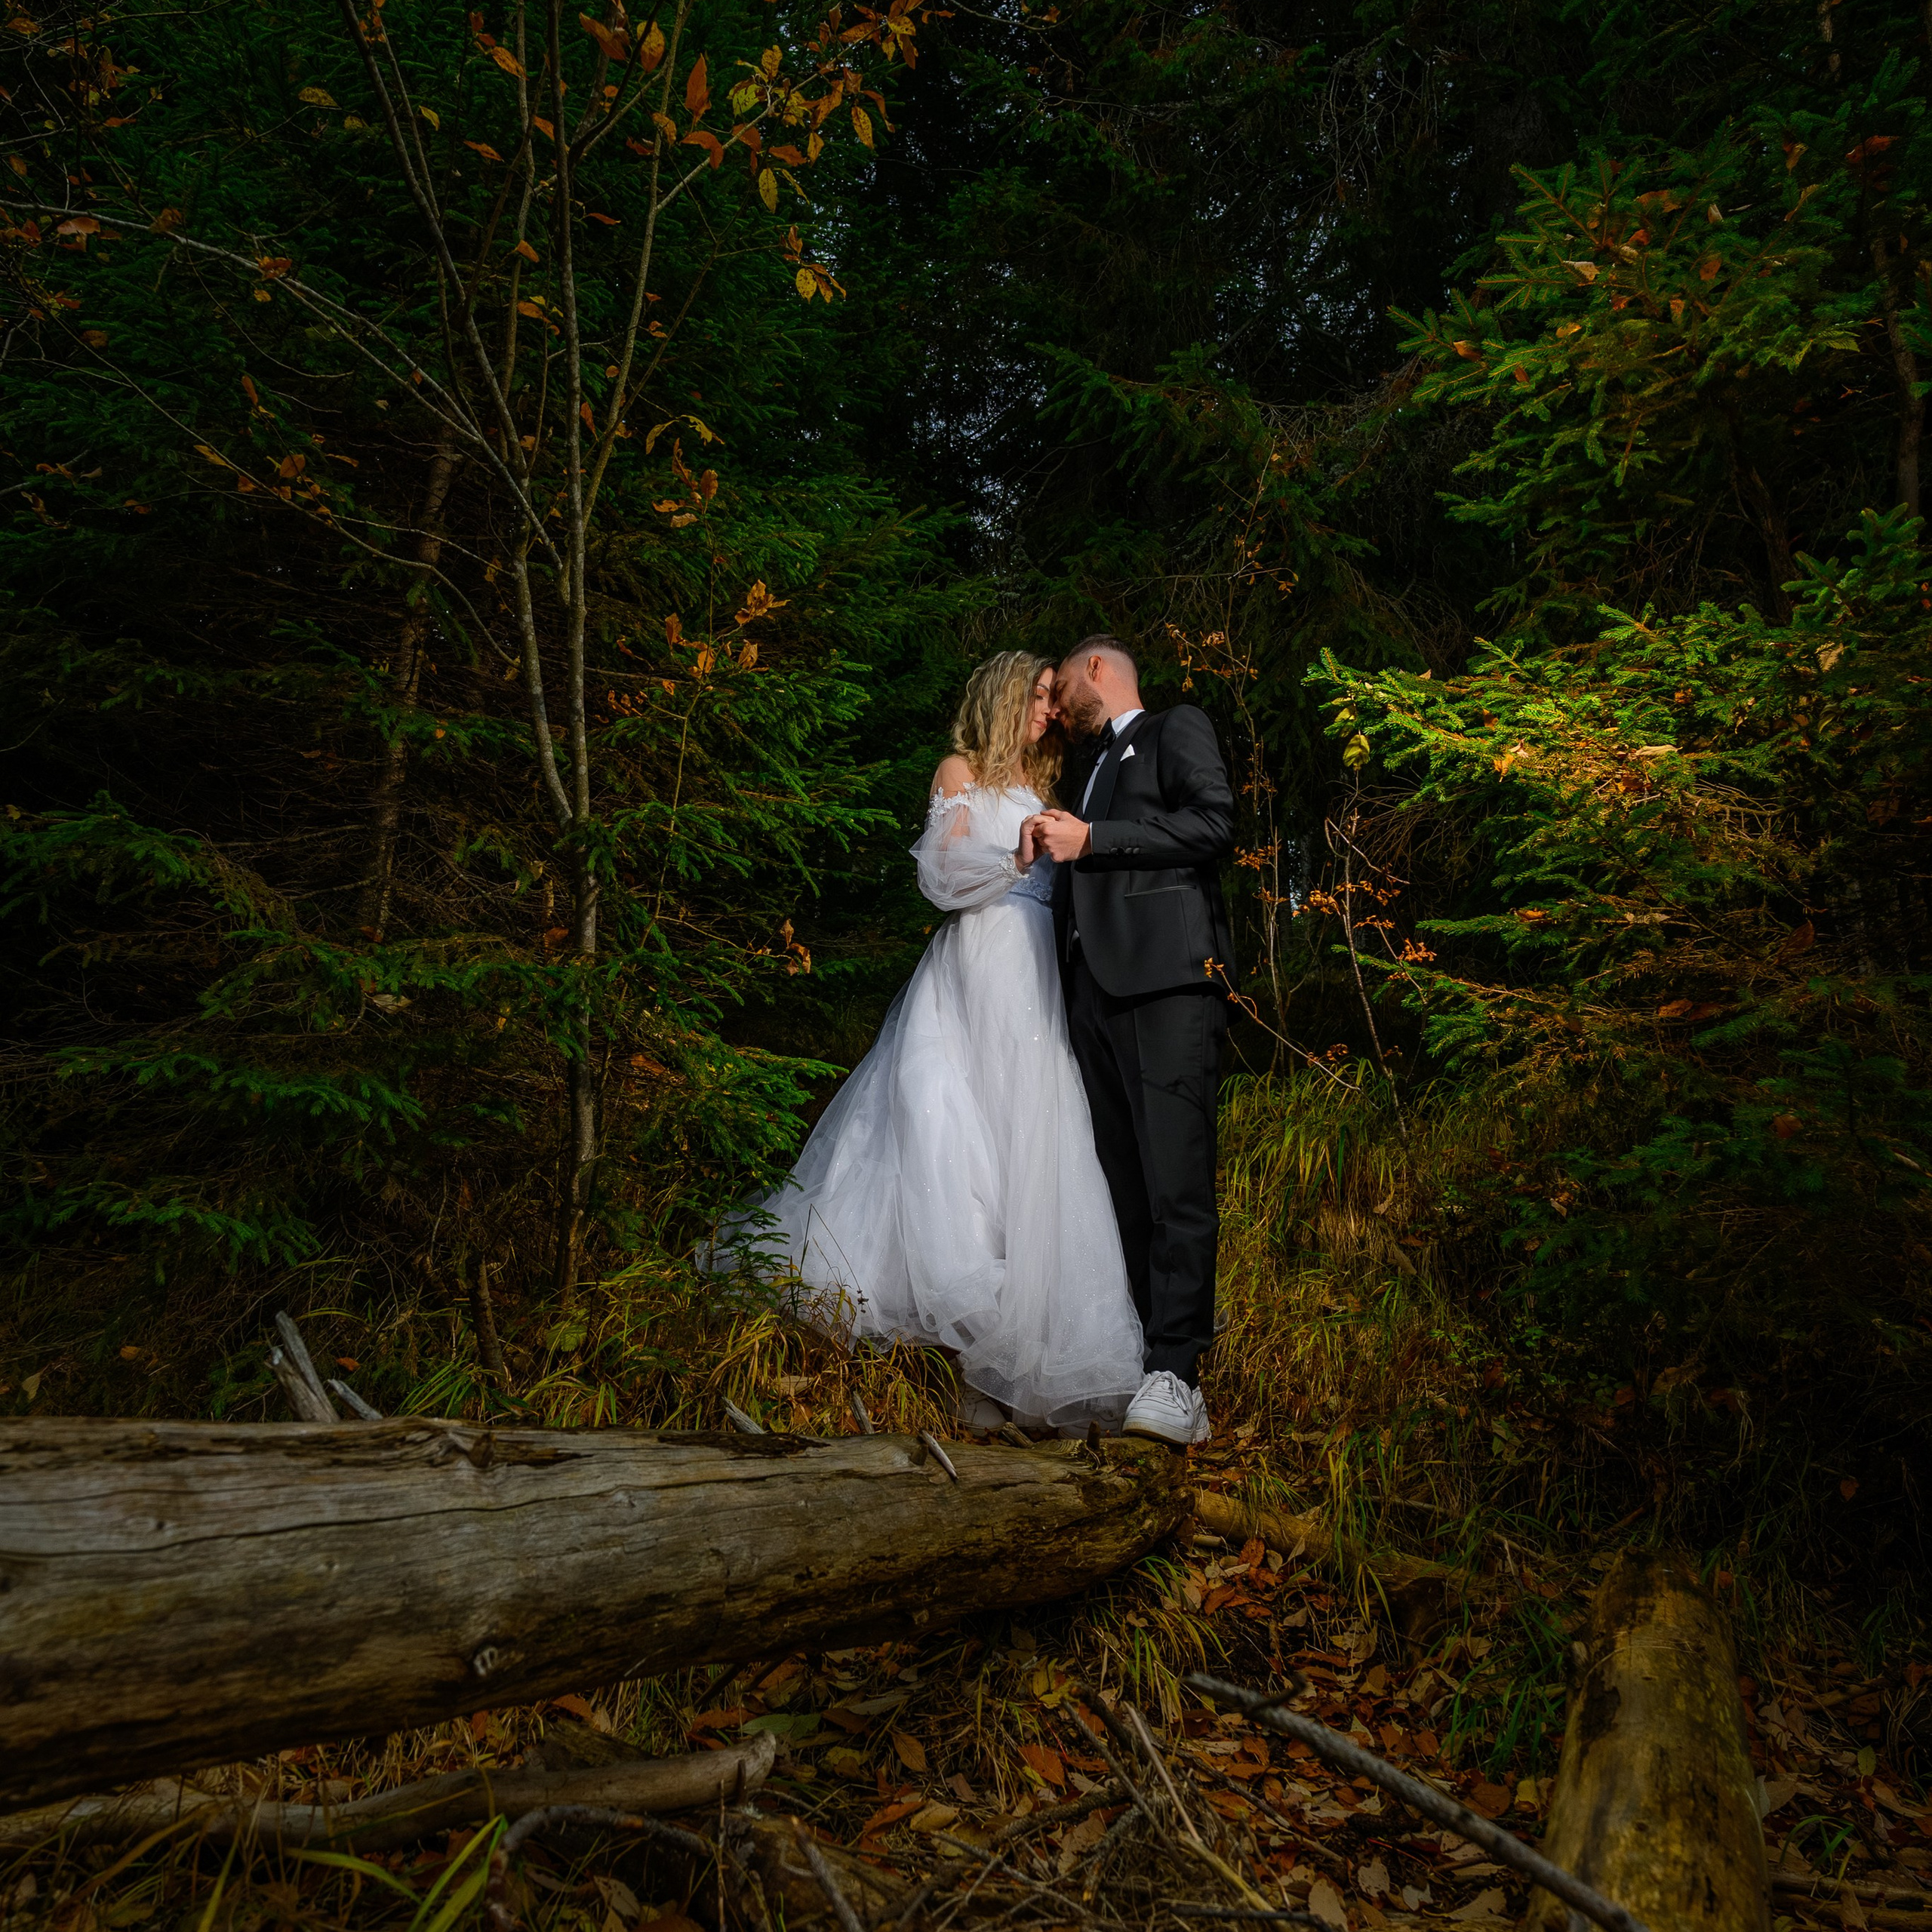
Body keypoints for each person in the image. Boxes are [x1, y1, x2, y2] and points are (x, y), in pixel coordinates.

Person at [715, 651, 1147, 1433]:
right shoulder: (961, 772)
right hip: (974, 970)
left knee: (1031, 1145)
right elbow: (938, 876)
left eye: (1055, 698)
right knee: (951, 1138)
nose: (1049, 710)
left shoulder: (1044, 788)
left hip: (1037, 982)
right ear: (1002, 694)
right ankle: (952, 1353)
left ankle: (1018, 1365)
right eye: (1039, 696)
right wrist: (1012, 852)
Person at [1023, 635, 1236, 1448]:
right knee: (1118, 1189)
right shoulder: (1084, 771)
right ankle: (1145, 1355)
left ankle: (1179, 1375)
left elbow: (1214, 824)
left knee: (1175, 1182)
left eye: (1067, 679)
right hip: (1092, 999)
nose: (1062, 697)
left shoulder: (1175, 728)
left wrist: (1096, 840)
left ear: (1101, 669)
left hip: (1168, 986)